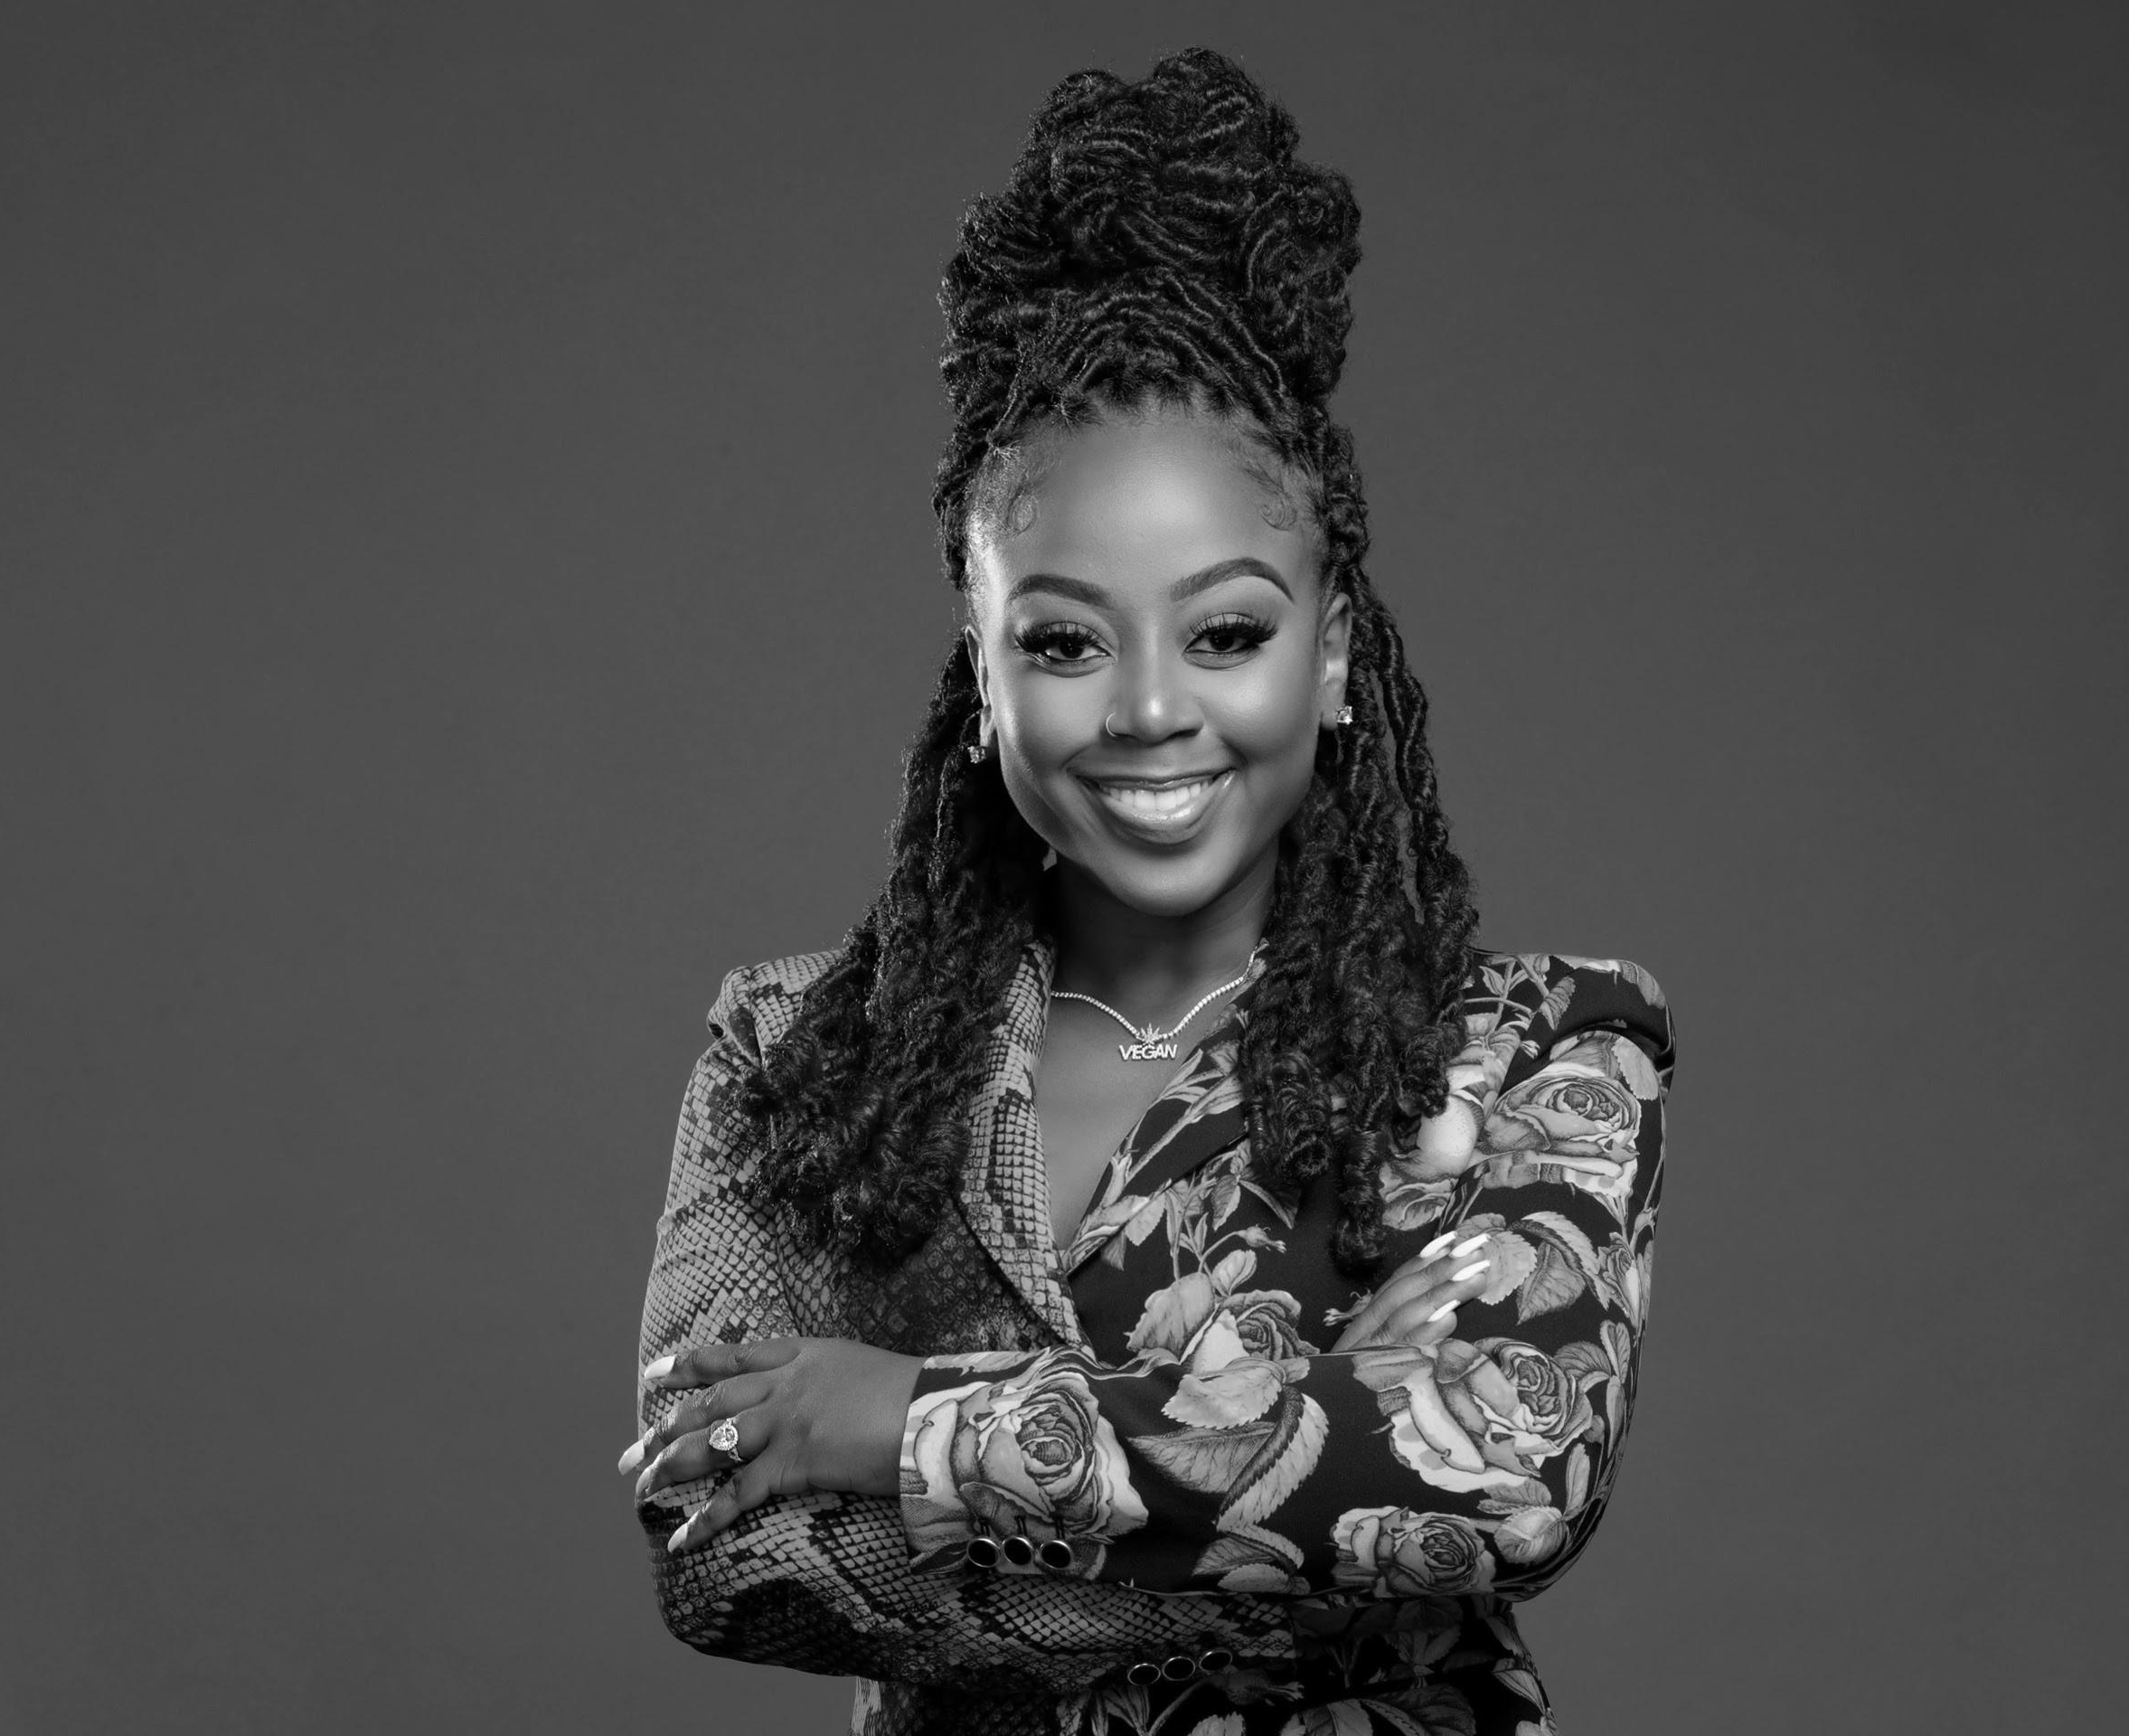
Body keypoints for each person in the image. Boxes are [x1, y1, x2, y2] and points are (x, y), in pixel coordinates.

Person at [622, 46, 1674, 1736]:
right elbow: (723, 1555)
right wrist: (1310, 1473)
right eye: (1063, 642)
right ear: (981, 675)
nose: (1150, 710)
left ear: (1333, 655)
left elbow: (1506, 1471)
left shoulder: (1539, 1048)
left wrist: (901, 1425)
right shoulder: (808, 1054)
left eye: (1228, 630)